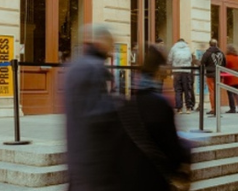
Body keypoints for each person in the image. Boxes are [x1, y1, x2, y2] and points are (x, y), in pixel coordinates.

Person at [118, 45, 191, 191]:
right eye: (165, 65)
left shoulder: (128, 104)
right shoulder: (160, 104)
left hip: (131, 178)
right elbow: (172, 145)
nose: (167, 69)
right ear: (158, 69)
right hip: (154, 178)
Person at [65, 24, 121, 191]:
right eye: (110, 44)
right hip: (94, 163)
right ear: (100, 42)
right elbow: (98, 115)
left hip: (79, 158)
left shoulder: (77, 66)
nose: (111, 51)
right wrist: (121, 105)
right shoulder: (93, 68)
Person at [167, 39, 195, 114]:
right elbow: (190, 59)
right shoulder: (188, 48)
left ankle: (179, 108)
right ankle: (188, 108)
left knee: (178, 90)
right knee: (187, 90)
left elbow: (169, 59)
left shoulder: (173, 48)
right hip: (186, 71)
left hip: (176, 71)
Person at [201, 39, 225, 116]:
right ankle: (218, 108)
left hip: (210, 74)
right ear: (216, 44)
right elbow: (225, 63)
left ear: (210, 44)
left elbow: (202, 63)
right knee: (217, 91)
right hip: (219, 74)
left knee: (212, 91)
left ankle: (214, 109)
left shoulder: (207, 53)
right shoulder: (221, 53)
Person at [225, 45, 238, 114]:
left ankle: (232, 108)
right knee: (237, 93)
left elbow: (226, 66)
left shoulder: (228, 57)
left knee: (230, 93)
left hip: (231, 78)